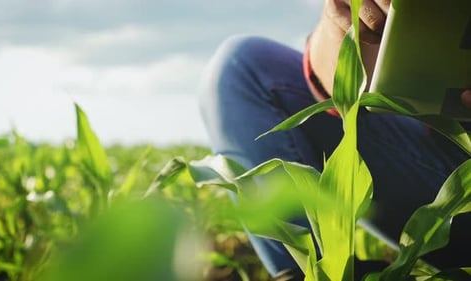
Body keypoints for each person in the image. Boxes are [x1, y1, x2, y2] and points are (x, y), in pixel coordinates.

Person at [199, 0, 471, 280]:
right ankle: (312, 274)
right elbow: (339, 86)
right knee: (244, 66)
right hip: (440, 152)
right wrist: (346, 29)